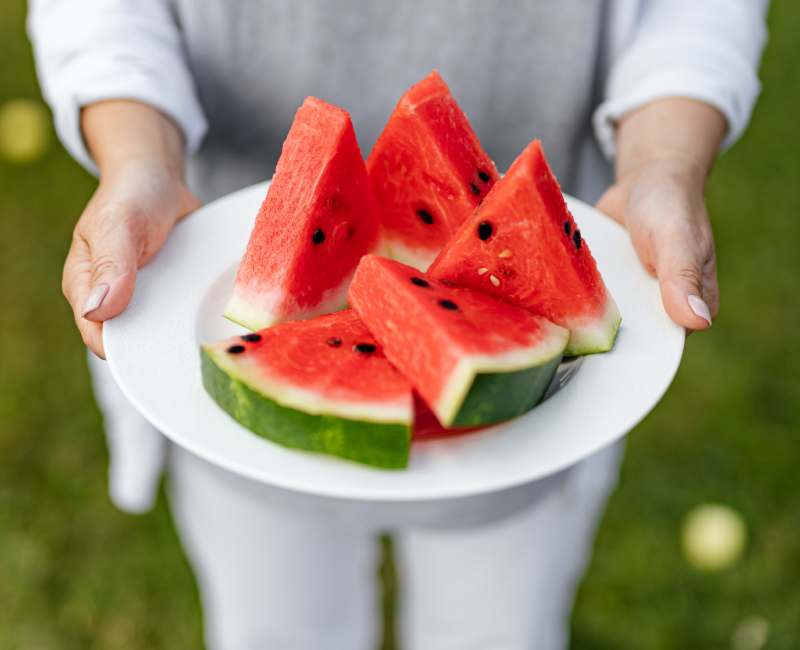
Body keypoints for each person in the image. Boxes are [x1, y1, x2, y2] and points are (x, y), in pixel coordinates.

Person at [29, 1, 769, 648]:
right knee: (275, 628)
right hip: (213, 261)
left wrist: (661, 164)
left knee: (496, 631)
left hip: (531, 415)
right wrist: (137, 160)